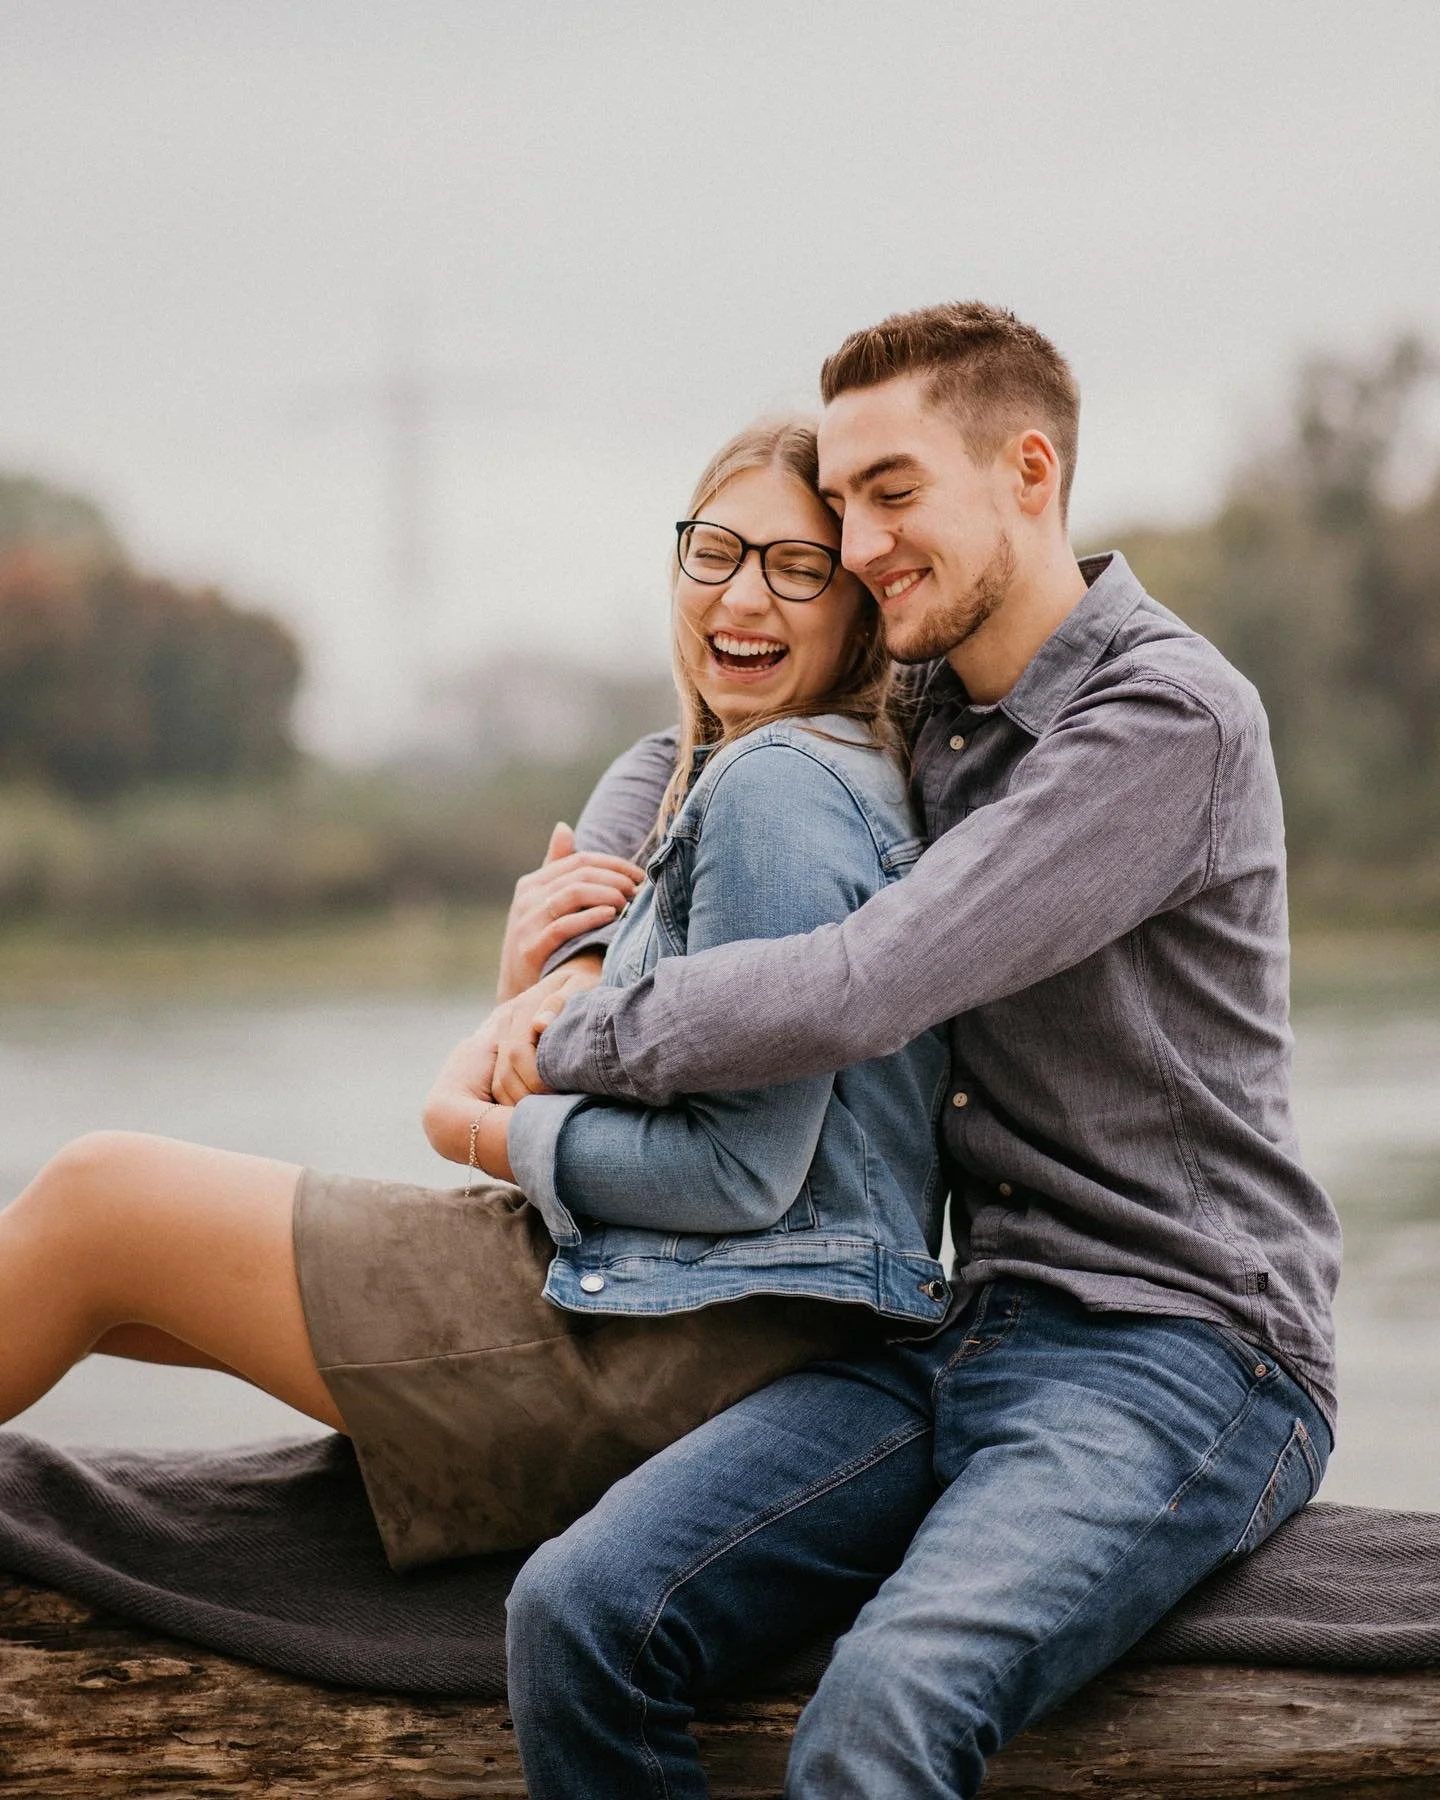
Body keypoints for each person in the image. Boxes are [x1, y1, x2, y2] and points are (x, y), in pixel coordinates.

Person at [474, 303, 1342, 1799]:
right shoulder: (931, 707)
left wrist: (572, 1037)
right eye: (844, 503)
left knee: (877, 1722)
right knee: (581, 1613)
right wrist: (554, 939)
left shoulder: (1167, 720)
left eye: (891, 494)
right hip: (951, 1330)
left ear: (1028, 470)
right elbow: (695, 742)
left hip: (1181, 1348)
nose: (860, 545)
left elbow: (868, 983)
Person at [0, 417, 953, 1572]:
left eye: (797, 568)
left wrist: (490, 1130)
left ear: (858, 606)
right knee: (124, 1288)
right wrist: (541, 994)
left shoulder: (781, 788)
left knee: (101, 1203)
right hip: (676, 1312)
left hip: (680, 1359)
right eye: (716, 551)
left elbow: (743, 1174)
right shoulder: (766, 771)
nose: (743, 597)